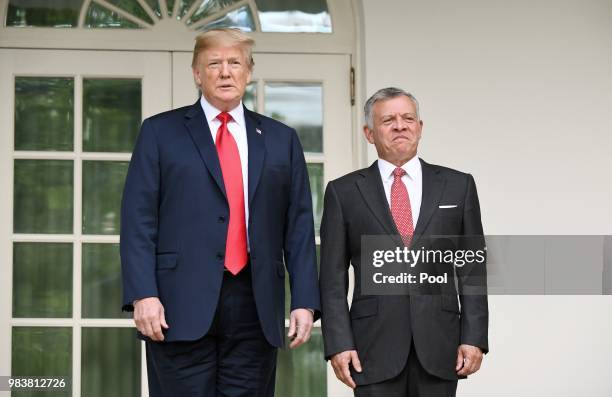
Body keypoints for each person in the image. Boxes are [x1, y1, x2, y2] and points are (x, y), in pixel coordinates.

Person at [120, 28, 320, 397]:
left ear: (249, 71)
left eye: (234, 63)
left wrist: (305, 300)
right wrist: (142, 294)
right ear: (197, 73)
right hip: (176, 304)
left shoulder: (280, 138)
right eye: (214, 64)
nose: (225, 72)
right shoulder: (160, 132)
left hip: (256, 303)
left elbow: (299, 227)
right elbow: (138, 220)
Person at [319, 87, 488, 397]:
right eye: (388, 120)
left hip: (440, 345)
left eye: (408, 118)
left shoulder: (458, 186)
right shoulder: (343, 193)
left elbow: (472, 268)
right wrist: (339, 343)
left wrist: (474, 336)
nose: (400, 125)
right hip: (371, 347)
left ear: (420, 128)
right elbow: (332, 279)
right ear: (369, 133)